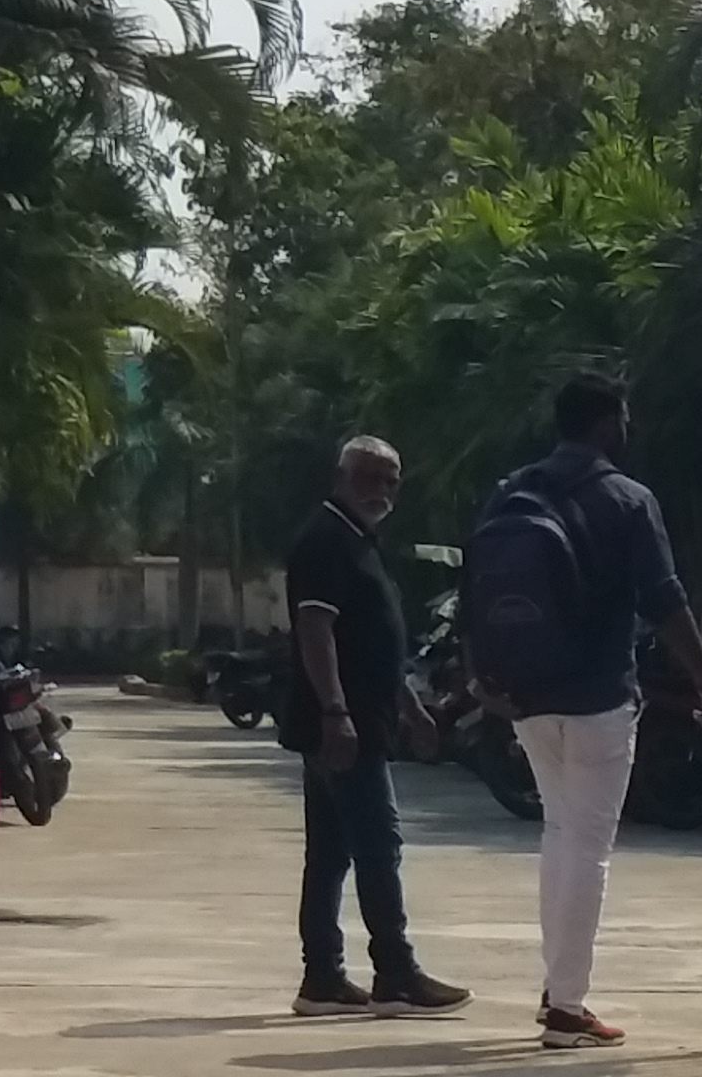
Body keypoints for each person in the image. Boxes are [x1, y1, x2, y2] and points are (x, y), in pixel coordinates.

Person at [482, 373, 702, 1053]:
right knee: (586, 845)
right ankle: (566, 1007)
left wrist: (487, 677)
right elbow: (665, 598)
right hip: (597, 695)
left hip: (529, 695)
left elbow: (481, 585)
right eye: (622, 419)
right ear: (605, 423)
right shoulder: (626, 499)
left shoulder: (511, 491)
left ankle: (558, 986)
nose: (628, 431)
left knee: (559, 833)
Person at [282, 436, 467, 1020]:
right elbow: (317, 632)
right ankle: (395, 971)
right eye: (370, 478)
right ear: (340, 476)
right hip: (341, 725)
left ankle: (323, 978)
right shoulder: (324, 540)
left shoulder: (358, 541)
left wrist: (410, 709)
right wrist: (335, 712)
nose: (382, 492)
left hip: (361, 718)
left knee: (332, 851)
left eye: (391, 481)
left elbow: (374, 647)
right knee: (378, 844)